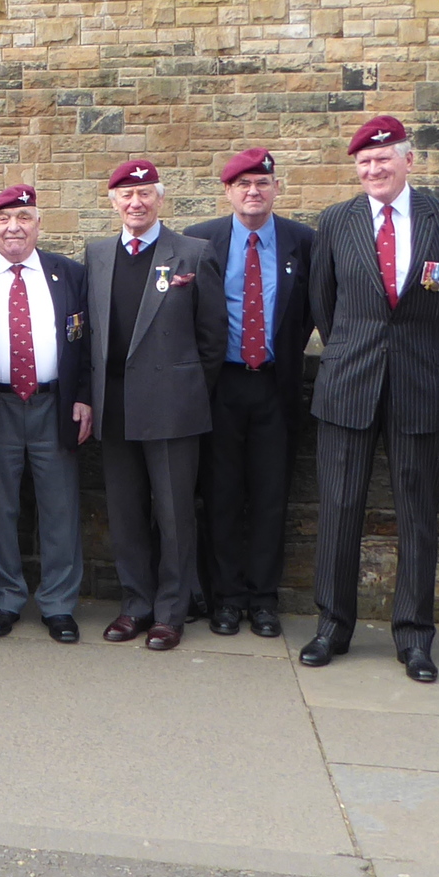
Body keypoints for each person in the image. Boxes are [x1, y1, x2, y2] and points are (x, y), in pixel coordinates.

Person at [303, 115, 439, 682]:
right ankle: (332, 626)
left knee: (417, 515)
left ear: (409, 160)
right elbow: (323, 306)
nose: (374, 169)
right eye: (364, 162)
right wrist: (357, 353)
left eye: (384, 159)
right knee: (339, 509)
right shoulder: (335, 222)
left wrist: (425, 357)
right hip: (349, 383)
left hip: (421, 383)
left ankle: (414, 636)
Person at [85, 159, 225, 650]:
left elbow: (212, 339)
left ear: (160, 199)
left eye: (145, 193)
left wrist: (187, 392)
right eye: (126, 194)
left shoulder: (192, 252)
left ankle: (171, 611)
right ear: (113, 202)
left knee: (173, 514)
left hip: (172, 408)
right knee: (124, 513)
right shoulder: (98, 254)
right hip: (115, 405)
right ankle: (135, 605)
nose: (135, 202)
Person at [184, 148, 315, 638]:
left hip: (275, 387)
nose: (253, 192)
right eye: (243, 185)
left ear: (276, 188)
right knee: (219, 496)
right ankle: (226, 598)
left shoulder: (303, 240)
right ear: (228, 192)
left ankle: (263, 599)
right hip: (221, 386)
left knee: (269, 497)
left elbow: (310, 311)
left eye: (262, 183)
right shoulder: (201, 240)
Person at [0, 186, 91, 643]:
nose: (13, 226)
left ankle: (58, 604)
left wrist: (85, 396)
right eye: (2, 219)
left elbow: (90, 341)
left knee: (60, 508)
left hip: (53, 405)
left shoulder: (70, 273)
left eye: (23, 217)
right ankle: (4, 598)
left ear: (38, 223)